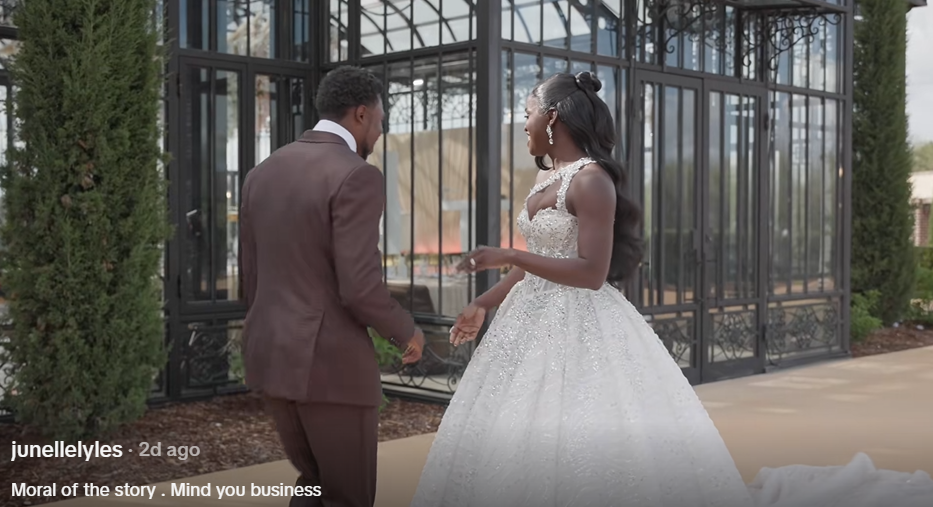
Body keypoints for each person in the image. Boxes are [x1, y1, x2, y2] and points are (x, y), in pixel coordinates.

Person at [409, 71, 933, 507]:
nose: (522, 123)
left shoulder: (592, 181)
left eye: (526, 112)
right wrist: (484, 301)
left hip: (582, 322)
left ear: (553, 118)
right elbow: (540, 265)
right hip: (529, 321)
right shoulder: (546, 180)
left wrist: (507, 253)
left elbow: (591, 271)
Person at [239, 65, 425, 507]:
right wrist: (406, 329)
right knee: (346, 496)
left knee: (313, 484)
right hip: (330, 366)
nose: (379, 134)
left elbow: (252, 276)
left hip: (272, 357)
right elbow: (359, 287)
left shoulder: (261, 173)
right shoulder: (356, 174)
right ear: (361, 115)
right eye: (380, 122)